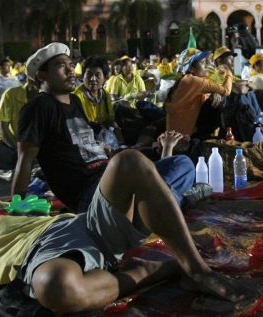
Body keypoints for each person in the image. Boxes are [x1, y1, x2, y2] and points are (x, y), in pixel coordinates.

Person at [0, 147, 243, 315]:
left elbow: (47, 203)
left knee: (132, 161)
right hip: (37, 260)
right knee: (56, 287)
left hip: (77, 226)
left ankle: (194, 268)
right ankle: (155, 271)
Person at [14, 43, 194, 211]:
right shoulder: (38, 107)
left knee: (182, 163)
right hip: (91, 192)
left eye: (71, 64)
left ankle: (160, 199)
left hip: (109, 173)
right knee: (132, 161)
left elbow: (85, 142)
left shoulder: (75, 101)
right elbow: (25, 160)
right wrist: (17, 205)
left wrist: (104, 148)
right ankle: (172, 199)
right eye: (61, 65)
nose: (71, 70)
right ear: (42, 75)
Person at [164, 50, 234, 139]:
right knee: (225, 99)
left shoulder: (187, 80)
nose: (207, 65)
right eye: (203, 62)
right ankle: (228, 135)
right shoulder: (193, 81)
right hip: (184, 139)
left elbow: (217, 89)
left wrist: (214, 92)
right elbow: (226, 91)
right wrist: (228, 72)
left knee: (219, 99)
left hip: (183, 134)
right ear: (191, 69)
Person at [74, 57, 116, 129]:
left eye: (97, 75)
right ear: (83, 77)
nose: (93, 79)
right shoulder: (76, 97)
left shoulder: (105, 94)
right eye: (89, 74)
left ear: (104, 78)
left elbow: (110, 118)